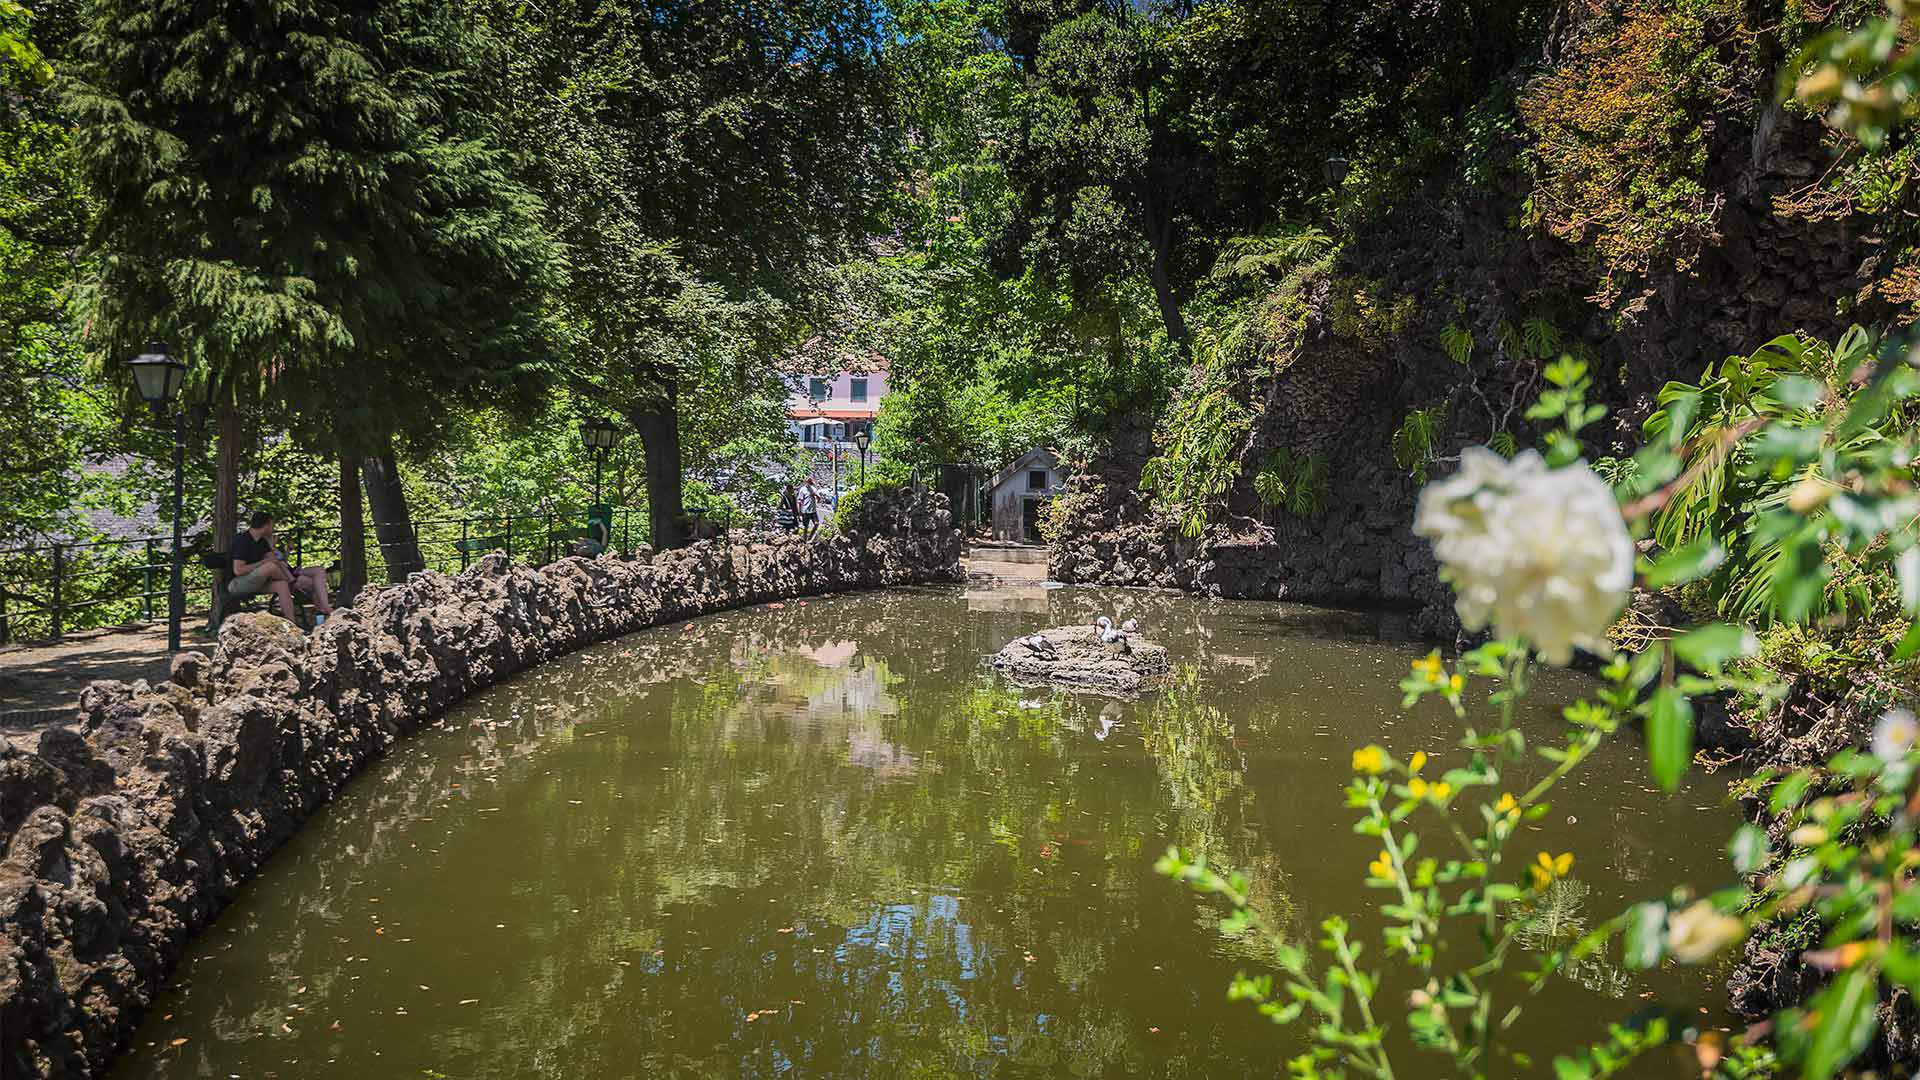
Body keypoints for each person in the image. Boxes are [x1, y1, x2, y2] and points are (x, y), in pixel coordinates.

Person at [230, 511, 334, 626]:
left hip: (261, 580)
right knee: (270, 566)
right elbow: (238, 570)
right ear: (267, 525)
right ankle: (294, 584)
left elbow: (276, 561)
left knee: (282, 584)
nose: (273, 528)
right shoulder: (242, 540)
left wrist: (277, 551)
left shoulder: (262, 542)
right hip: (239, 583)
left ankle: (292, 626)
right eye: (272, 525)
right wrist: (263, 562)